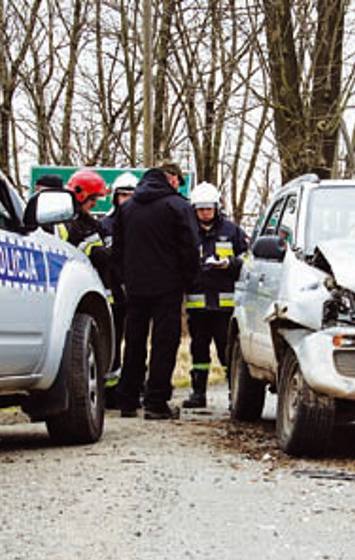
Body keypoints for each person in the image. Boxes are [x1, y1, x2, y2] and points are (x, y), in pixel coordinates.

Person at [112, 162, 200, 420]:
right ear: (171, 179)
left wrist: (124, 280)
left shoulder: (127, 208)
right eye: (178, 181)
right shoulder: (177, 207)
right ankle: (156, 402)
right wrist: (189, 281)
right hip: (168, 286)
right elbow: (190, 248)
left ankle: (127, 400)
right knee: (164, 343)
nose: (179, 185)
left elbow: (117, 249)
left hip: (136, 286)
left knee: (134, 342)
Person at [184, 182, 248, 408]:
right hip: (198, 306)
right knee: (198, 351)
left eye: (208, 208)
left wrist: (230, 264)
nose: (205, 213)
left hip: (225, 307)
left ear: (216, 207)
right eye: (200, 209)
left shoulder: (232, 231)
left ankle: (235, 395)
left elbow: (248, 261)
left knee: (227, 352)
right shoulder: (187, 232)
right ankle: (198, 394)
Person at [99, 171, 138, 408]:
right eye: (122, 195)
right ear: (115, 197)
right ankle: (110, 392)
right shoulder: (105, 224)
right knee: (111, 341)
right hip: (109, 291)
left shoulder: (141, 222)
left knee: (134, 342)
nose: (126, 199)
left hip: (134, 291)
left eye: (130, 195)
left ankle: (131, 388)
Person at [60, 169, 111, 285]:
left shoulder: (92, 223)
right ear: (80, 195)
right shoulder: (67, 223)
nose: (94, 204)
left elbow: (108, 239)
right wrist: (99, 253)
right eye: (92, 199)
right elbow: (75, 251)